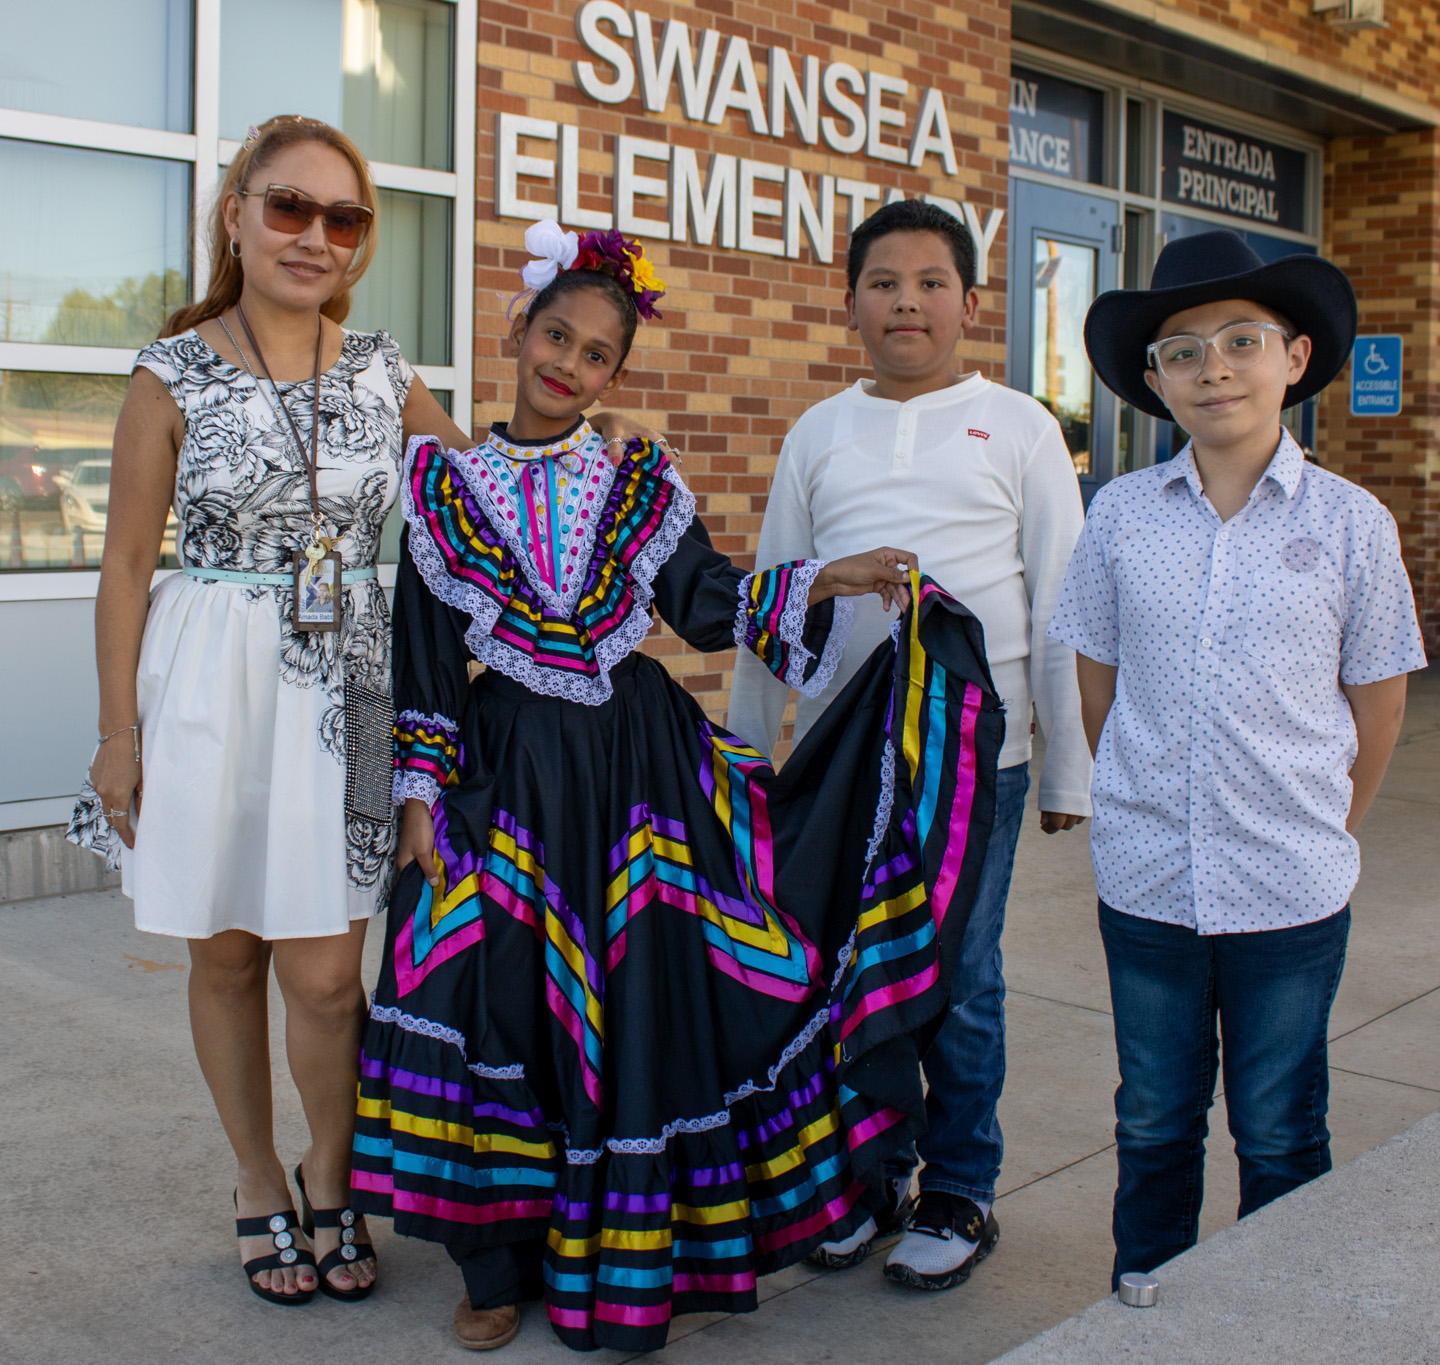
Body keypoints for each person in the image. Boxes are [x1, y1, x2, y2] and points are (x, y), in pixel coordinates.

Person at [350, 220, 1005, 1353]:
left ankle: (614, 1252)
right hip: (504, 779)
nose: (568, 364)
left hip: (638, 776)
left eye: (597, 353)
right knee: (484, 990)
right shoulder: (441, 485)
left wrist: (824, 581)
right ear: (516, 331)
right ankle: (493, 1262)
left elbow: (704, 601)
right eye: (555, 335)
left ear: (617, 371)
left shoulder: (638, 476)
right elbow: (422, 659)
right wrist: (418, 793)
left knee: (647, 1005)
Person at [66, 115, 656, 1308]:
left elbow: (488, 492)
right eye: (288, 208)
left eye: (342, 219)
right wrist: (116, 734)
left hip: (351, 691)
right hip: (208, 687)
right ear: (235, 213)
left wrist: (603, 467)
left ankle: (328, 1178)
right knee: (225, 955)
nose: (313, 238)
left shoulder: (384, 370)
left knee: (331, 975)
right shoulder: (166, 372)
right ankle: (253, 1181)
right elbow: (126, 565)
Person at [726, 199, 1090, 1291]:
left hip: (975, 763)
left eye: (931, 282)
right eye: (883, 282)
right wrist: (751, 763)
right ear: (849, 304)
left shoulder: (1019, 426)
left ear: (970, 304)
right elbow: (773, 604)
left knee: (961, 978)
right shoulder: (818, 433)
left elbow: (1064, 608)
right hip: (844, 763)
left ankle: (960, 1186)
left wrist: (1065, 764)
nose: (906, 304)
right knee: (845, 969)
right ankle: (869, 1174)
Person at [1047, 229, 1424, 1283]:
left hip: (1289, 888)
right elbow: (1096, 687)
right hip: (1148, 883)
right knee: (1155, 1120)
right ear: (1152, 380)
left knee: (1278, 1127)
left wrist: (1321, 827)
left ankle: (1270, 1319)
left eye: (1240, 340)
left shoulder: (1352, 525)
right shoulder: (1118, 516)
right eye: (1180, 350)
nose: (1212, 367)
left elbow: (1376, 704)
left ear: (1292, 359)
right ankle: (1147, 1307)